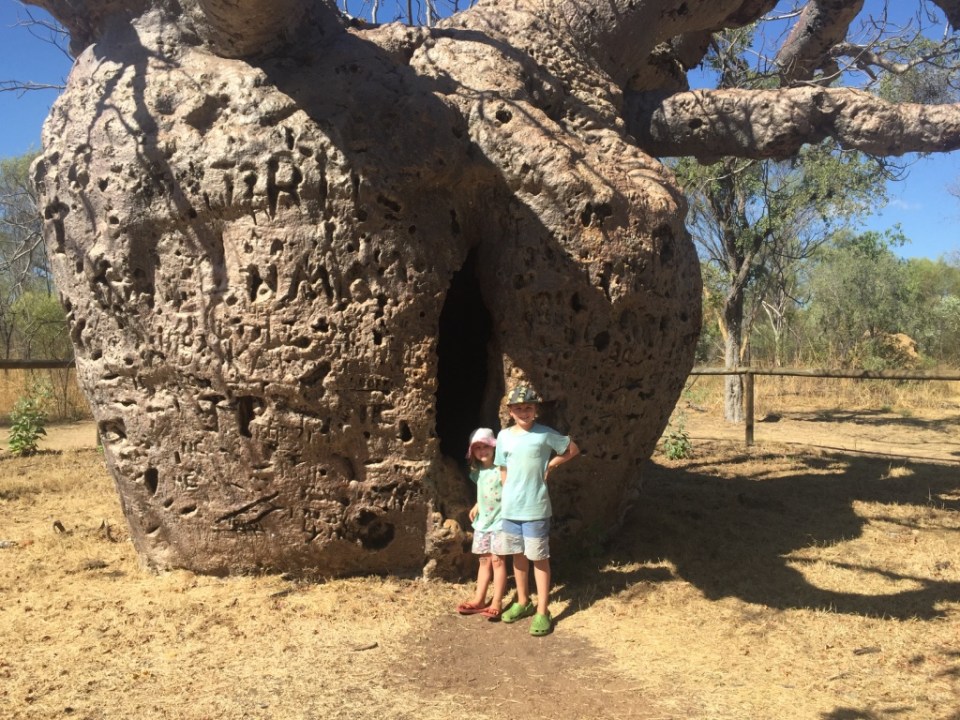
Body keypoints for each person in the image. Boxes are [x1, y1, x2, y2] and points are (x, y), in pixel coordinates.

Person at [495, 384, 580, 636]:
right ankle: (523, 601)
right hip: (511, 509)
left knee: (539, 559)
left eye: (528, 407)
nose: (524, 412)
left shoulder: (544, 434)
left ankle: (543, 610)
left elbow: (572, 449)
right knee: (517, 557)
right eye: (518, 408)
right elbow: (502, 468)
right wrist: (506, 495)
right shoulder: (503, 437)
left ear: (536, 410)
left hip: (536, 508)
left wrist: (552, 464)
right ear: (510, 411)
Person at [456, 427, 508, 621]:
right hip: (483, 522)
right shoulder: (477, 472)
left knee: (498, 561)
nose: (482, 451)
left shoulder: (501, 468)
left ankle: (497, 601)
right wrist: (477, 505)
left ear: (493, 446)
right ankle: (479, 599)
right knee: (484, 562)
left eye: (485, 446)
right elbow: (484, 490)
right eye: (477, 448)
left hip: (500, 521)